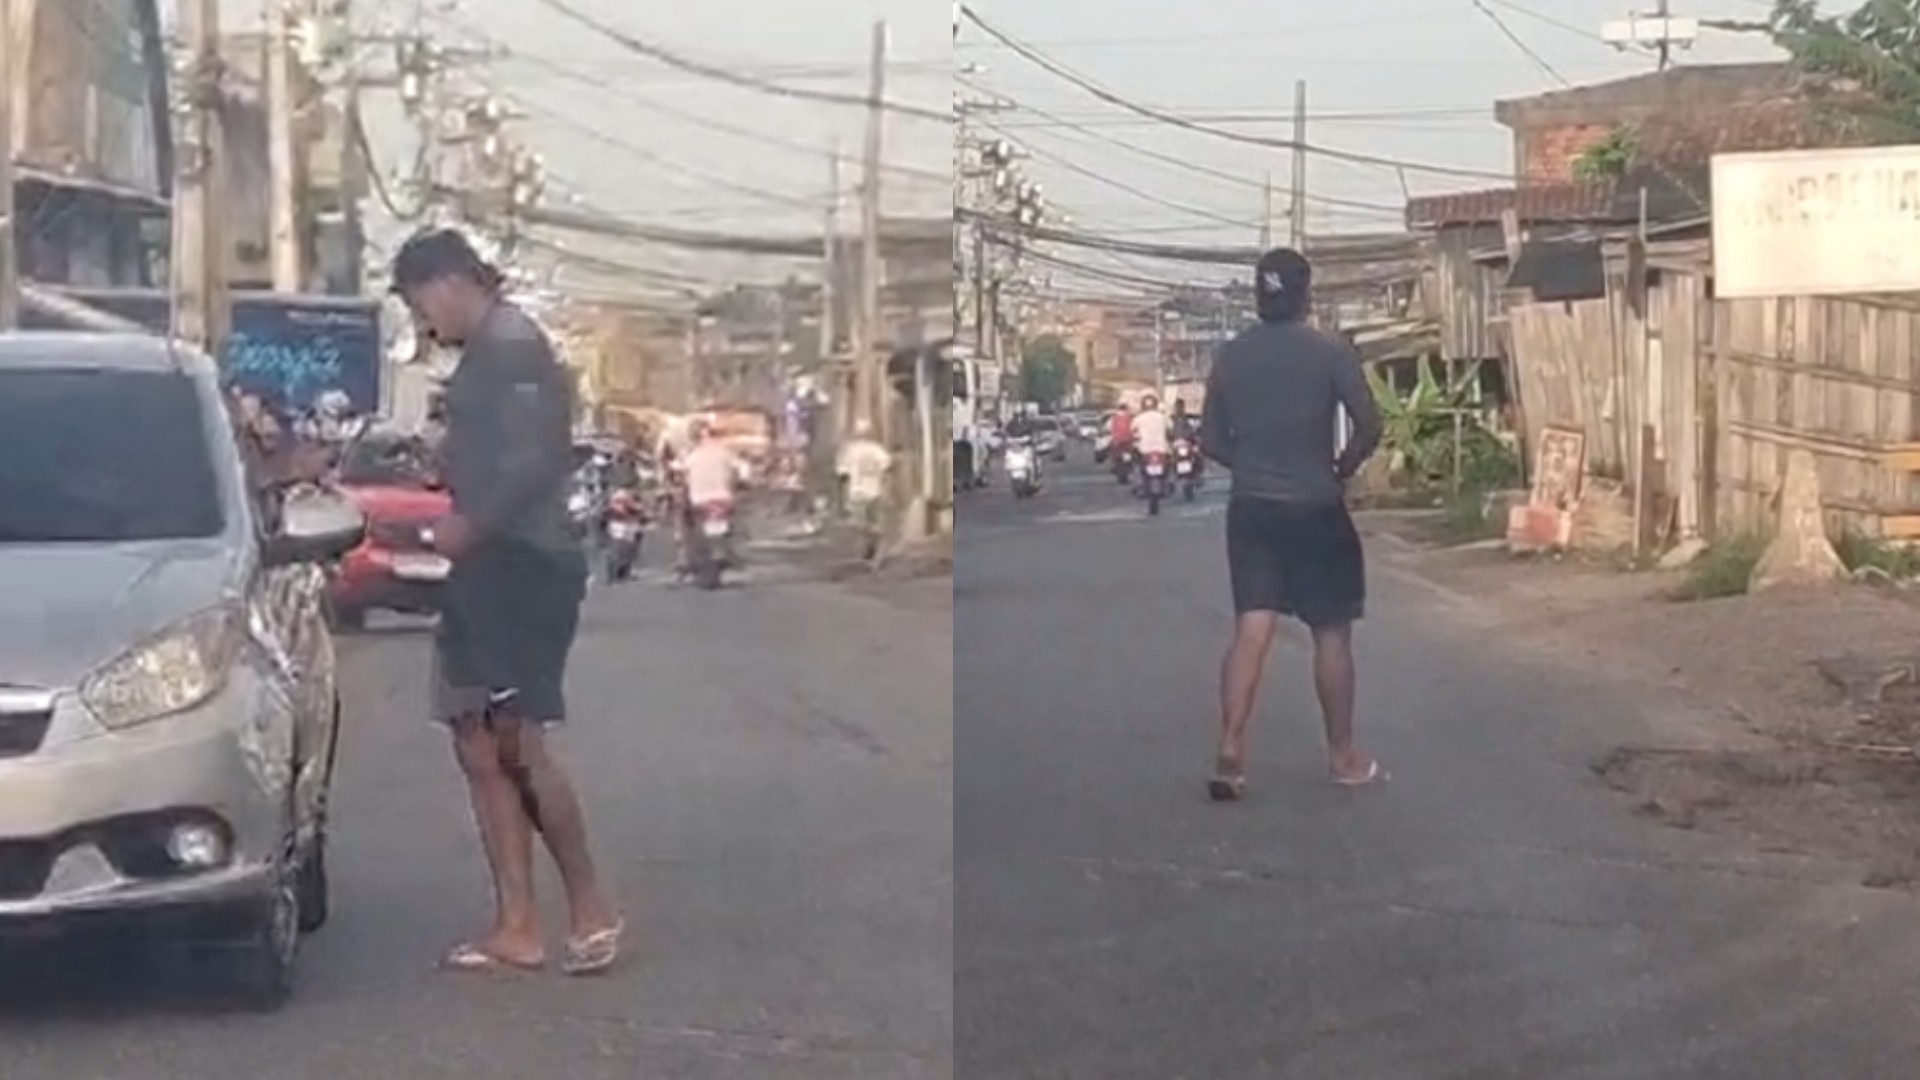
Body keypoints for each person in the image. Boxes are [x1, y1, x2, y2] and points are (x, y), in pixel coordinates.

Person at [388, 227, 624, 976]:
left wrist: (470, 524)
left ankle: (590, 908)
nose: (426, 323)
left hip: (521, 564)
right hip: (487, 566)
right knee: (477, 740)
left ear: (452, 281)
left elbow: (534, 458)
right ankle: (517, 922)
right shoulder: (485, 357)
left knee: (517, 741)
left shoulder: (514, 345)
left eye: (423, 303)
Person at [1198, 247, 1384, 799]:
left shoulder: (1230, 357)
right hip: (1317, 504)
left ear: (1259, 295)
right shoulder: (1330, 352)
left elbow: (1210, 440)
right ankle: (1343, 757)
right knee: (1330, 632)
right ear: (1307, 294)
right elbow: (1370, 423)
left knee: (1252, 627)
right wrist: (1340, 467)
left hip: (1252, 507)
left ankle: (1231, 751)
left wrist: (1250, 464)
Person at [837, 419, 893, 561]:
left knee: (860, 522)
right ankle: (873, 543)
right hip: (874, 489)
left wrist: (842, 491)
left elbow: (842, 474)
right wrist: (885, 483)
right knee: (874, 521)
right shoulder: (876, 449)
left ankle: (868, 544)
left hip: (856, 491)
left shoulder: (849, 451)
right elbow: (887, 467)